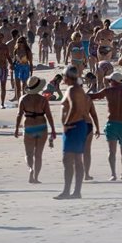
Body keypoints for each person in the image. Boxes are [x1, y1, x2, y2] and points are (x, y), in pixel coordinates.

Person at [89, 72, 122, 181]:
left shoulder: (108, 91)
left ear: (113, 81)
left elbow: (94, 96)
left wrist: (79, 93)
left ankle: (113, 174)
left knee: (111, 151)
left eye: (110, 80)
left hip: (112, 123)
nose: (109, 82)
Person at [55, 66, 90, 200]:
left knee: (68, 160)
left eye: (63, 76)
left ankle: (68, 191)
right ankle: (75, 191)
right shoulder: (78, 89)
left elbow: (74, 107)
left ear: (67, 77)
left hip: (74, 126)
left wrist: (67, 123)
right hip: (79, 125)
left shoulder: (72, 89)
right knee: (76, 160)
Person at [14, 76, 57, 184]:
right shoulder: (43, 99)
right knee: (38, 155)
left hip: (28, 126)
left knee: (29, 154)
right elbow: (49, 115)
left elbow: (19, 115)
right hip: (41, 126)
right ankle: (36, 177)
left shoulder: (23, 99)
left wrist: (16, 129)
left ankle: (30, 169)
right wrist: (53, 129)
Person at [12, 36, 33, 102]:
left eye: (21, 42)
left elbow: (31, 62)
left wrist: (31, 72)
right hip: (17, 68)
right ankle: (19, 102)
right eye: (18, 42)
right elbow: (14, 60)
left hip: (25, 68)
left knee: (24, 86)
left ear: (24, 43)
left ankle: (24, 101)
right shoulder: (16, 50)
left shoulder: (27, 51)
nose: (19, 43)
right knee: (17, 87)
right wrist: (12, 65)